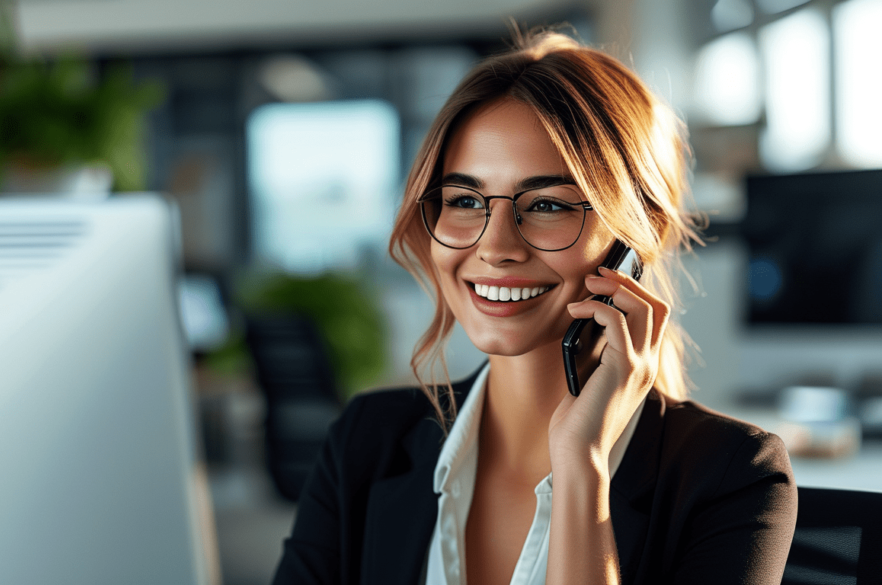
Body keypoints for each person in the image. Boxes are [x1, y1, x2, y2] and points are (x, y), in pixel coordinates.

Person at [272, 29, 797, 585]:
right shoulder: (366, 441)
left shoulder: (733, 477)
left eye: (547, 204)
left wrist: (581, 467)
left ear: (636, 240)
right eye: (465, 200)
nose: (495, 247)